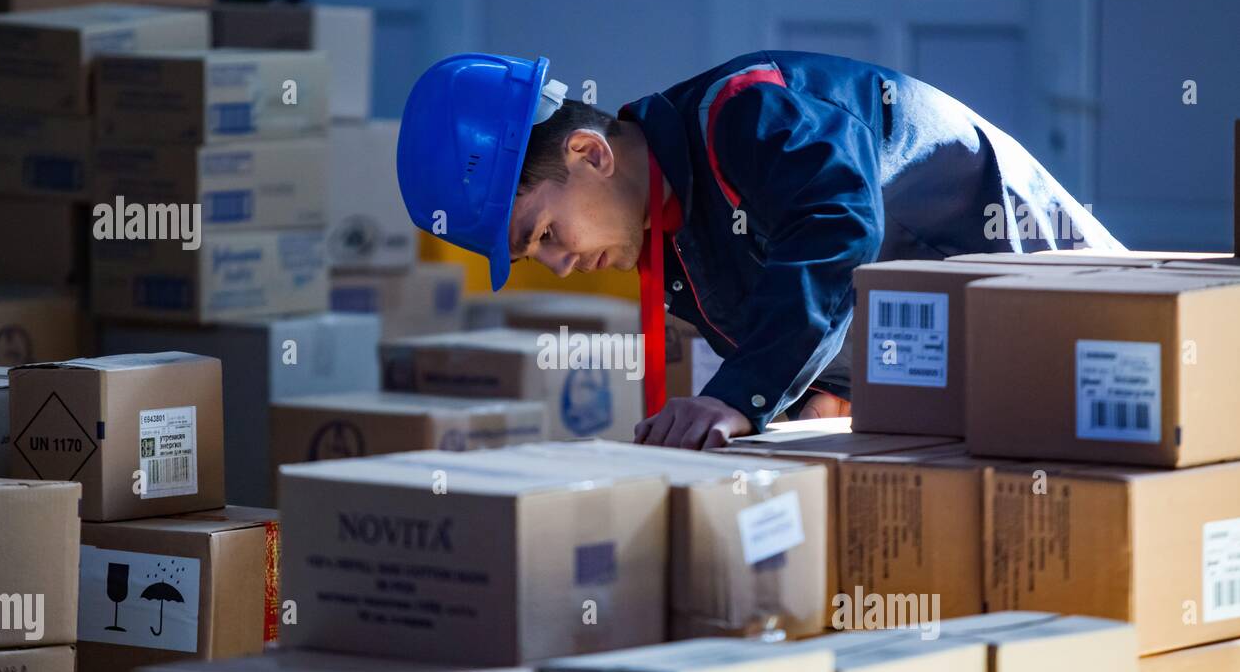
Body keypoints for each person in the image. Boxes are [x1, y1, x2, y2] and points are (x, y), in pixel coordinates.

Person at [396, 51, 1123, 449]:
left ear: (590, 153)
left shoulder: (743, 113)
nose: (557, 263)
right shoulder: (674, 249)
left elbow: (836, 226)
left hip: (1025, 253)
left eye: (544, 235)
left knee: (1137, 403)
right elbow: (804, 319)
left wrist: (738, 399)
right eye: (535, 257)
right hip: (955, 369)